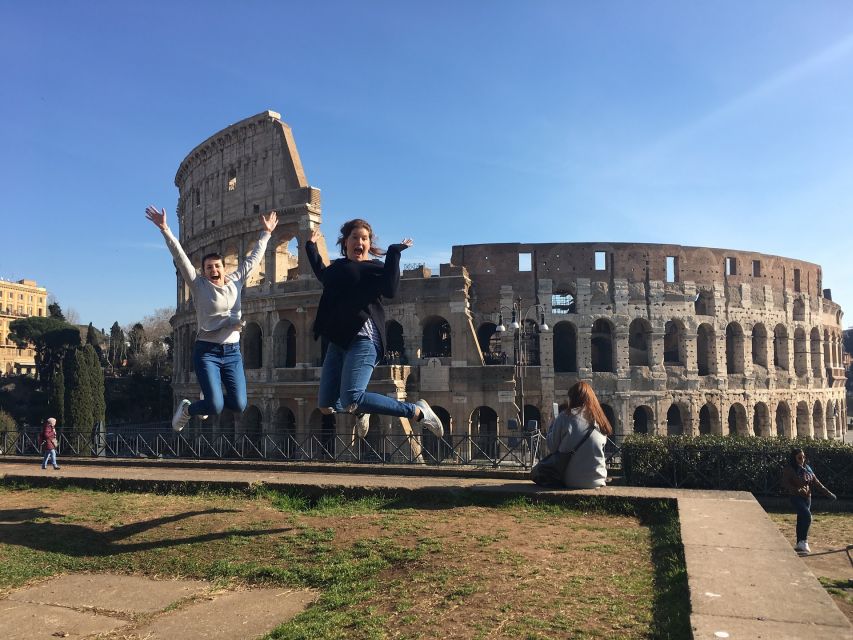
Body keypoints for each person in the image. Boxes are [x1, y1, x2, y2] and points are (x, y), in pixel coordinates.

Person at [305, 219, 443, 439]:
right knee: (325, 405)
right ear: (345, 242)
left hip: (364, 339)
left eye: (364, 238)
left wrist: (394, 253)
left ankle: (417, 411)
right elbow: (322, 273)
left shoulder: (374, 268)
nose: (359, 242)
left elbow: (390, 290)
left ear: (369, 244)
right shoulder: (337, 268)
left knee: (351, 397)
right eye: (354, 237)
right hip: (338, 341)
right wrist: (310, 246)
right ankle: (361, 408)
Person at [145, 204, 278, 431]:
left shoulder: (236, 280)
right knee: (215, 406)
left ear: (224, 267)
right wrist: (165, 229)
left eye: (217, 266)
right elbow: (180, 256)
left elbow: (254, 258)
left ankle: (208, 399)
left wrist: (266, 233)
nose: (213, 270)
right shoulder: (199, 286)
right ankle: (189, 409)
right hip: (207, 351)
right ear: (204, 271)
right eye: (208, 267)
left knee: (239, 404)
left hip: (232, 353)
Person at [545, 381, 612, 488]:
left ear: (572, 398)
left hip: (571, 480)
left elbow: (552, 447)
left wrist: (552, 425)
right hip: (598, 479)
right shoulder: (599, 419)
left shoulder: (564, 417)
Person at [781, 447, 836, 554]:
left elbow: (817, 482)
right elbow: (784, 483)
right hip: (795, 497)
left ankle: (799, 543)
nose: (802, 459)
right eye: (799, 458)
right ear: (794, 458)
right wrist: (796, 489)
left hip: (807, 497)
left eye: (803, 457)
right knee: (807, 516)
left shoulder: (807, 468)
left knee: (801, 519)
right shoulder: (789, 469)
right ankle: (804, 542)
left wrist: (829, 494)